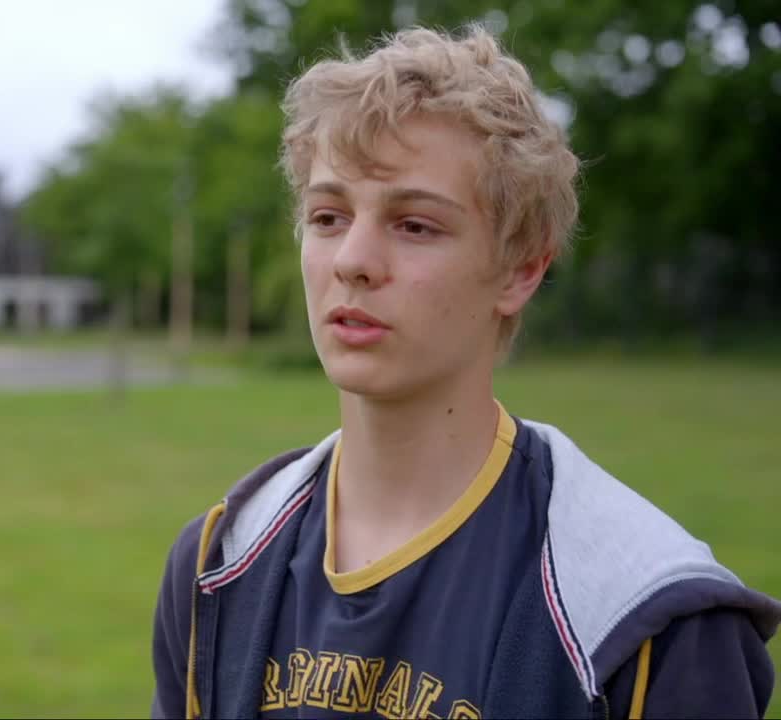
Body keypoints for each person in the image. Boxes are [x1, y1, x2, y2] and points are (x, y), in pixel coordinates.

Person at [150, 23, 780, 720]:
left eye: (415, 225)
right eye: (328, 215)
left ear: (521, 269)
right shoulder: (217, 567)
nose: (353, 259)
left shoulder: (647, 621)